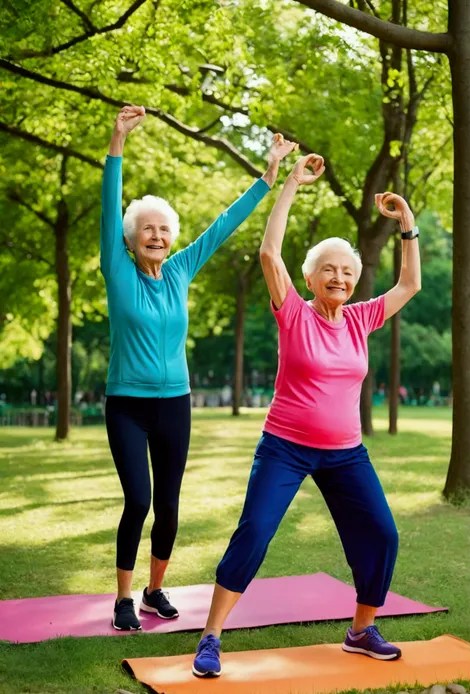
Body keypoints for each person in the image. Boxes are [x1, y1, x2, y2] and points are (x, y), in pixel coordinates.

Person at [193, 153, 422, 676]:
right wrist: (292, 182)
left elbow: (409, 285)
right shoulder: (293, 311)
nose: (338, 276)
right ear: (312, 278)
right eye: (329, 270)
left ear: (355, 278)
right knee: (254, 532)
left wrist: (407, 225)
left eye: (347, 271)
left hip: (346, 454)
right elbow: (269, 252)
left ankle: (361, 630)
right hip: (286, 447)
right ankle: (211, 636)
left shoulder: (362, 318)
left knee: (382, 534)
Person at [101, 105, 297, 631]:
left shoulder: (182, 268)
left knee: (168, 505)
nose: (158, 236)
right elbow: (108, 204)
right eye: (147, 229)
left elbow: (222, 226)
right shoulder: (117, 269)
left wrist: (268, 175)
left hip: (176, 404)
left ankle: (154, 590)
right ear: (129, 237)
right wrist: (118, 140)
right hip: (126, 404)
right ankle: (122, 598)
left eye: (164, 229)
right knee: (137, 500)